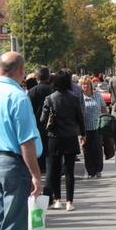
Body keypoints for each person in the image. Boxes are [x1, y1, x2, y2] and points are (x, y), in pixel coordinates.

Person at [0, 52, 43, 230]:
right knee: (14, 227)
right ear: (21, 70)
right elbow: (26, 142)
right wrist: (36, 175)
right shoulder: (18, 97)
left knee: (0, 221)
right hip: (14, 163)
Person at [41, 69, 86, 211]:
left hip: (54, 137)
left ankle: (57, 200)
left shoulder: (50, 98)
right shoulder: (74, 98)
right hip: (70, 136)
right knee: (69, 170)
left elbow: (43, 119)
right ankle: (69, 202)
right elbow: (80, 118)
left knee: (55, 169)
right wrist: (83, 134)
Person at [28, 66, 54, 172]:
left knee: (39, 147)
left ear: (36, 77)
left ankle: (40, 166)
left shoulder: (31, 92)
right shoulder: (53, 90)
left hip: (36, 125)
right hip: (52, 125)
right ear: (48, 76)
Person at [80, 77, 107, 179]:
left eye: (87, 84)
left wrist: (106, 119)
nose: (85, 86)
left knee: (98, 149)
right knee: (87, 150)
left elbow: (104, 108)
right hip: (85, 128)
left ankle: (98, 170)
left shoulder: (97, 95)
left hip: (97, 127)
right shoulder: (80, 98)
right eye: (83, 84)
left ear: (91, 86)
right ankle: (90, 171)